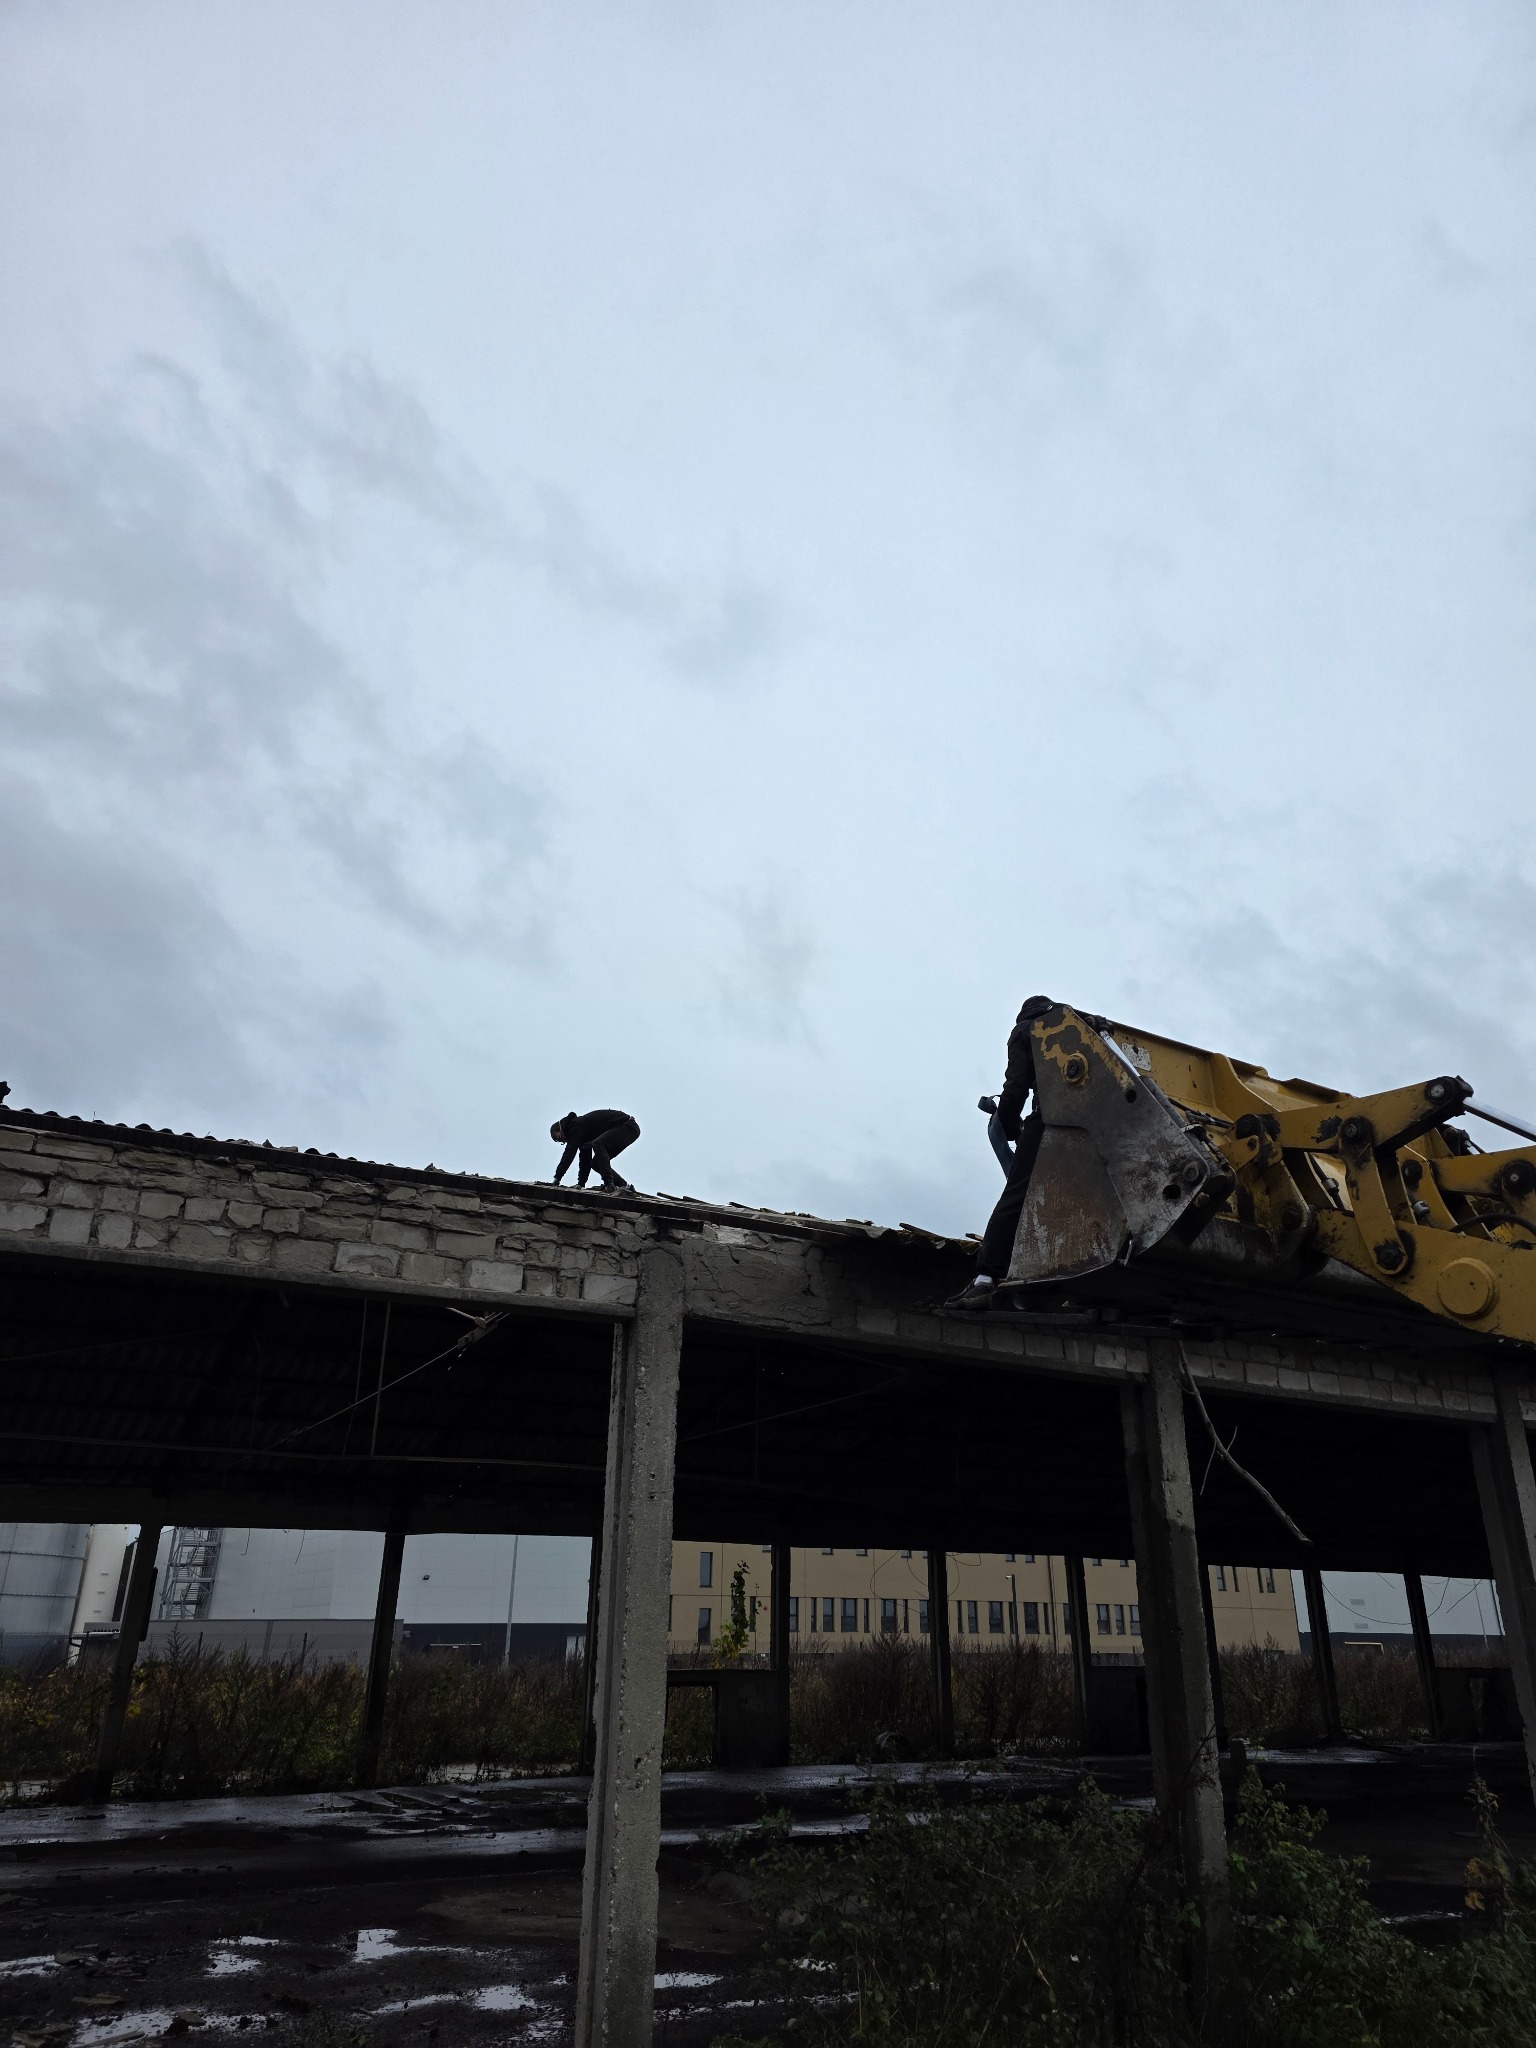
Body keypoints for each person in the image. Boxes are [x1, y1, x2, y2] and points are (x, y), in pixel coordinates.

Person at [947, 996, 1054, 1310]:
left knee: (1017, 1194)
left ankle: (985, 1280)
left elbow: (1017, 1085)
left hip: (1051, 1118)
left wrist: (1008, 1123)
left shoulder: (1025, 1030)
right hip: (1098, 1122)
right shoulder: (1084, 1025)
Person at [550, 1109, 641, 1191]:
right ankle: (624, 1186)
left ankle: (609, 1184)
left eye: (560, 1137)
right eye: (561, 1141)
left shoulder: (575, 1125)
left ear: (561, 1128)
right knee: (596, 1163)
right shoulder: (583, 1136)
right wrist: (581, 1184)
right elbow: (585, 1160)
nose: (564, 1140)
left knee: (598, 1144)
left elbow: (569, 1153)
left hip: (627, 1126)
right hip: (628, 1131)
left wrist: (557, 1177)